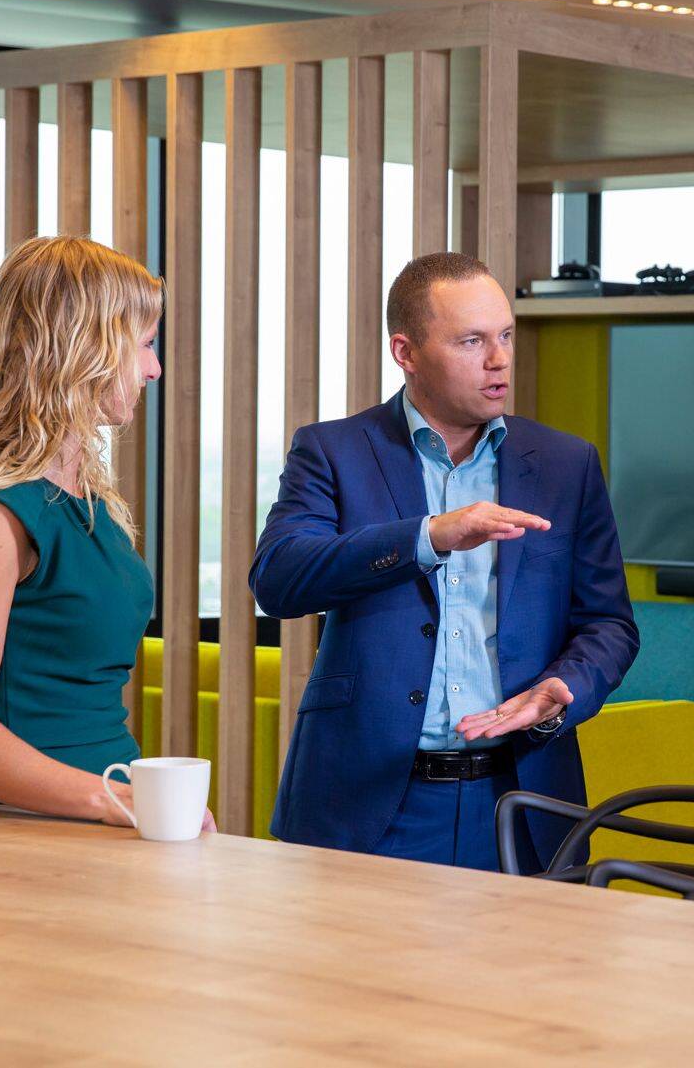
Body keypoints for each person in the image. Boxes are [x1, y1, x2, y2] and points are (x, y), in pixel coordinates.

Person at [251, 251, 638, 871]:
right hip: (369, 799)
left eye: (506, 336)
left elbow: (609, 622)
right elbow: (279, 579)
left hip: (523, 797)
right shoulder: (333, 450)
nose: (499, 359)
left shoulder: (566, 464)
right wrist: (429, 536)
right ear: (405, 352)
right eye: (472, 341)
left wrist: (566, 688)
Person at [0, 235, 214, 833]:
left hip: (105, 810)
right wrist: (115, 801)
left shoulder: (90, 503)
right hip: (22, 830)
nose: (154, 368)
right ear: (81, 347)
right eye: (145, 344)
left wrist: (136, 801)